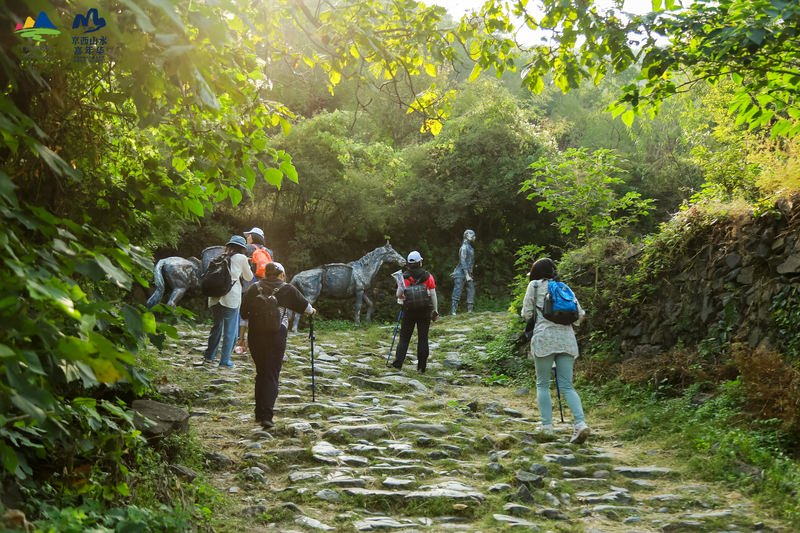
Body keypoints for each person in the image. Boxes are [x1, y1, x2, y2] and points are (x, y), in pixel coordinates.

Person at [521, 257, 590, 444]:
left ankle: (547, 426)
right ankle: (580, 423)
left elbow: (526, 314)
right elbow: (580, 315)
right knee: (567, 386)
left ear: (535, 272)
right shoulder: (564, 287)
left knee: (543, 384)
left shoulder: (534, 286)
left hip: (544, 339)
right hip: (567, 340)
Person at [240, 262, 316, 429]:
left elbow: (243, 314)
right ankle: (267, 416)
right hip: (276, 336)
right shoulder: (287, 289)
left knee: (261, 372)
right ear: (281, 274)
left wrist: (241, 338)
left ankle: (259, 413)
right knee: (271, 374)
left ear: (265, 274)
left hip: (255, 335)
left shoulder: (253, 288)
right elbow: (307, 308)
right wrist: (312, 312)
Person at [203, 235, 254, 369]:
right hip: (231, 298)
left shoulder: (219, 257)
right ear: (242, 248)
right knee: (230, 330)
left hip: (215, 297)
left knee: (216, 327)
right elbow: (249, 277)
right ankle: (225, 360)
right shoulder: (241, 258)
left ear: (229, 246)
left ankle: (209, 356)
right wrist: (247, 264)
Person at [390, 251, 439, 373]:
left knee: (404, 338)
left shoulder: (403, 277)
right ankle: (421, 367)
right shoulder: (428, 276)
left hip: (408, 310)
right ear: (420, 262)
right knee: (423, 338)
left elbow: (398, 294)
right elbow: (433, 294)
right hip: (424, 311)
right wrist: (435, 310)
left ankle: (398, 364)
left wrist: (402, 295)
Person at [235, 227, 273, 355]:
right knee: (259, 314)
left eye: (249, 235)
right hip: (264, 288)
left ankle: (240, 342)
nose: (247, 238)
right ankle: (258, 343)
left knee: (243, 313)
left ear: (253, 237)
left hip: (248, 286)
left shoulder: (247, 249)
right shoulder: (268, 251)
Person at [450, 229, 476, 315]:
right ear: (466, 235)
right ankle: (453, 311)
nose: (473, 236)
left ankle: (470, 310)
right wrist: (466, 274)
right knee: (457, 291)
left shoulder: (470, 248)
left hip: (468, 273)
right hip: (460, 273)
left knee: (471, 289)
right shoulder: (464, 247)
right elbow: (462, 261)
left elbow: (470, 262)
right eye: (471, 234)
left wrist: (469, 273)